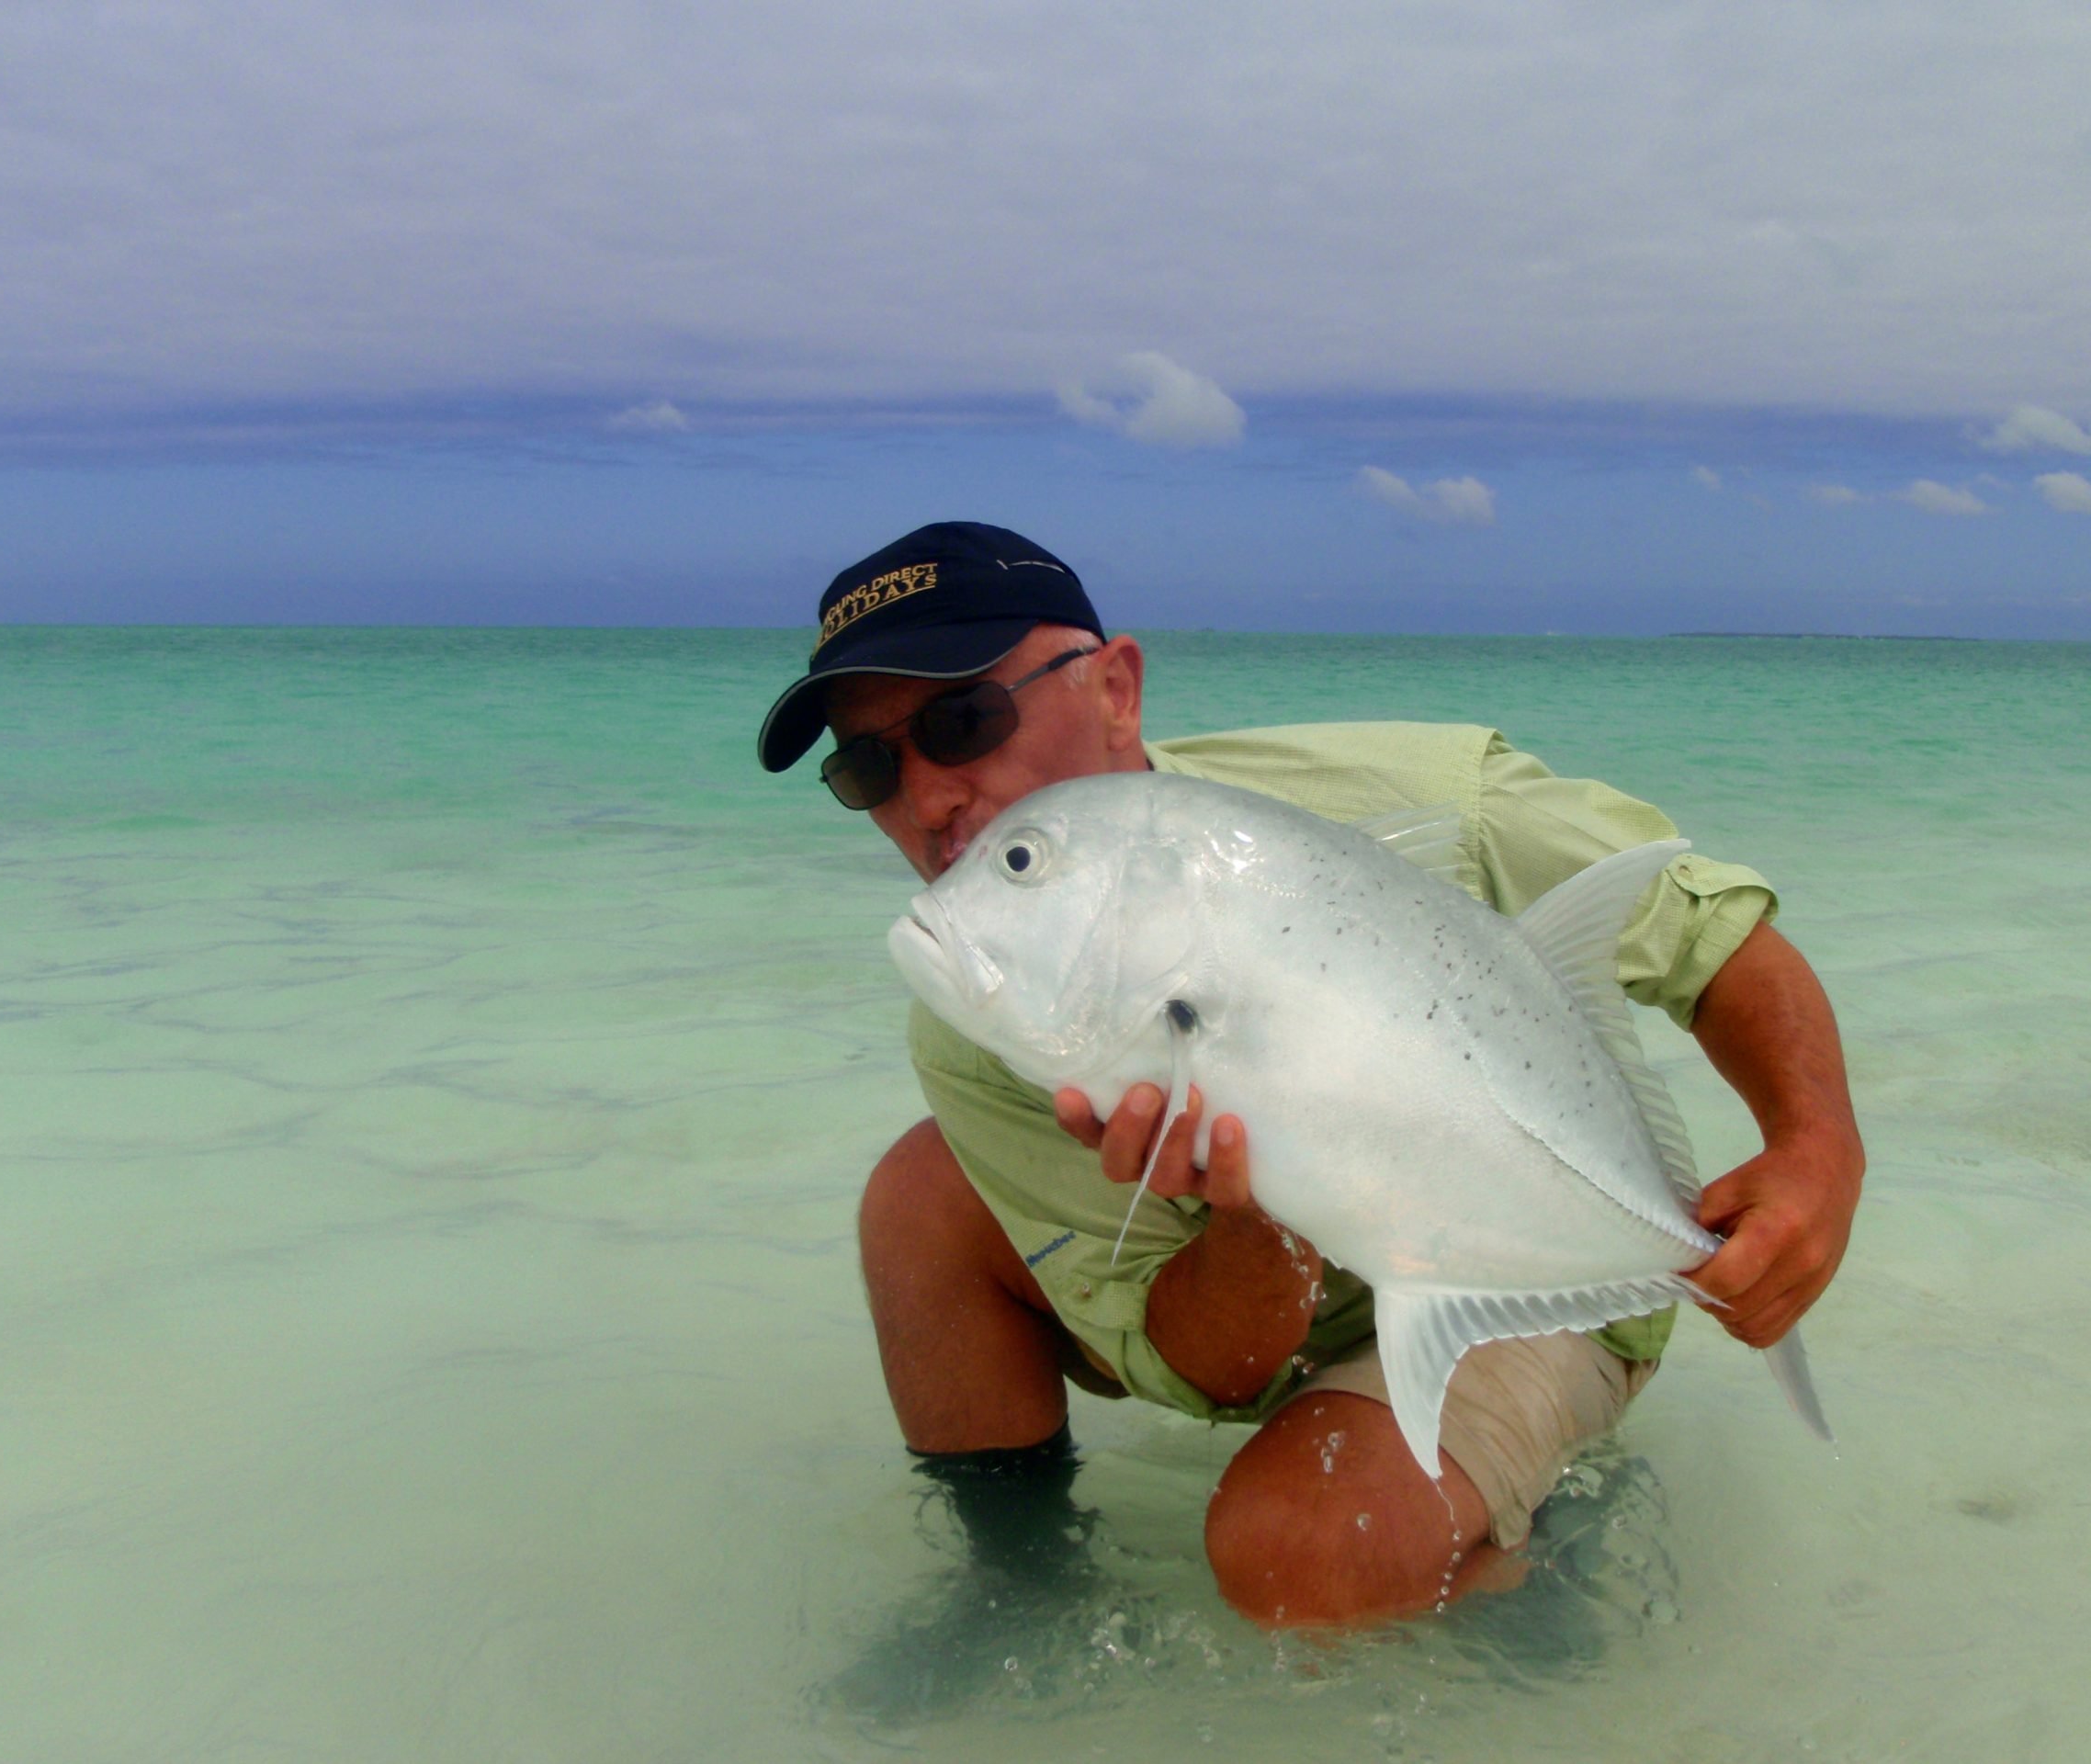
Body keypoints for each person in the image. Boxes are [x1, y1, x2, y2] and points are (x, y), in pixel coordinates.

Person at [760, 521, 1863, 1629]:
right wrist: (1255, 1221)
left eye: (962, 720)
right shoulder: (979, 1022)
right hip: (1286, 1309)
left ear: (1114, 689)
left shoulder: (1406, 795)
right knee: (921, 1195)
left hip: (1524, 1271)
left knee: (1294, 1554)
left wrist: (1816, 1152)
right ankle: (1012, 1585)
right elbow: (1204, 1376)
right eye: (868, 767)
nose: (927, 798)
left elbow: (1710, 937)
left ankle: (1532, 1583)